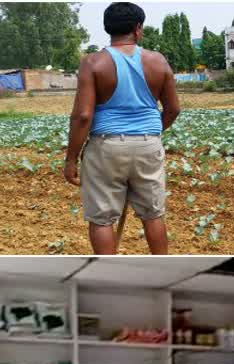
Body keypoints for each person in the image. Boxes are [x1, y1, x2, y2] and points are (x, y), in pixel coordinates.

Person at [63, 2, 181, 254]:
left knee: (102, 219)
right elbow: (173, 109)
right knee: (152, 215)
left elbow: (83, 116)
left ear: (108, 28)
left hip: (106, 146)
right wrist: (150, 133)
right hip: (149, 144)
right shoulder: (157, 61)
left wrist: (71, 159)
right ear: (138, 29)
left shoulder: (93, 62)